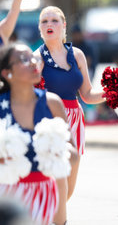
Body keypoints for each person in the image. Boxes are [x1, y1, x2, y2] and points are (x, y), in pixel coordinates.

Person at [35, 6, 106, 206]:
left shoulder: (77, 55)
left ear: (63, 25)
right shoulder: (36, 59)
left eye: (54, 20)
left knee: (68, 184)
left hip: (75, 119)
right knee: (51, 179)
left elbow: (87, 95)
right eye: (44, 21)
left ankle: (54, 216)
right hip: (48, 120)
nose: (49, 24)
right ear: (40, 28)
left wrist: (112, 92)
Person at [0, 42, 73, 225]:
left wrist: (59, 152)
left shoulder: (52, 103)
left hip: (46, 193)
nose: (33, 62)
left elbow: (72, 153)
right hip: (7, 197)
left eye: (34, 58)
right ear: (7, 73)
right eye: (24, 60)